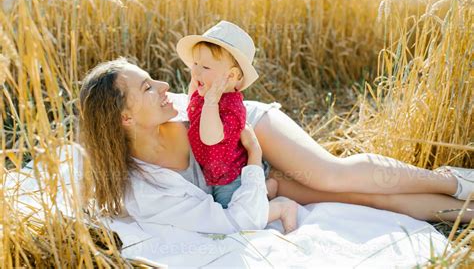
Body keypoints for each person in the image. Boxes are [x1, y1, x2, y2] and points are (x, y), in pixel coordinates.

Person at [79, 58, 473, 235]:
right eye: (148, 87)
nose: (165, 86)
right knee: (363, 199)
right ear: (124, 119)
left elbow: (226, 105)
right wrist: (259, 180)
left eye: (153, 79)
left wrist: (253, 156)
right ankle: (466, 214)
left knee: (332, 176)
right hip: (253, 179)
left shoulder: (179, 109)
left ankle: (451, 182)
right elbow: (222, 219)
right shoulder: (144, 188)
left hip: (251, 130)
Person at [175, 21, 296, 232]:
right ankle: (267, 188)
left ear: (230, 76)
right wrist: (198, 79)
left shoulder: (231, 108)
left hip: (232, 177)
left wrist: (211, 102)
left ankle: (281, 207)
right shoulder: (203, 93)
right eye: (194, 63)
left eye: (205, 67)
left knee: (237, 219)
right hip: (211, 173)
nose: (195, 71)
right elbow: (192, 103)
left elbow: (210, 137)